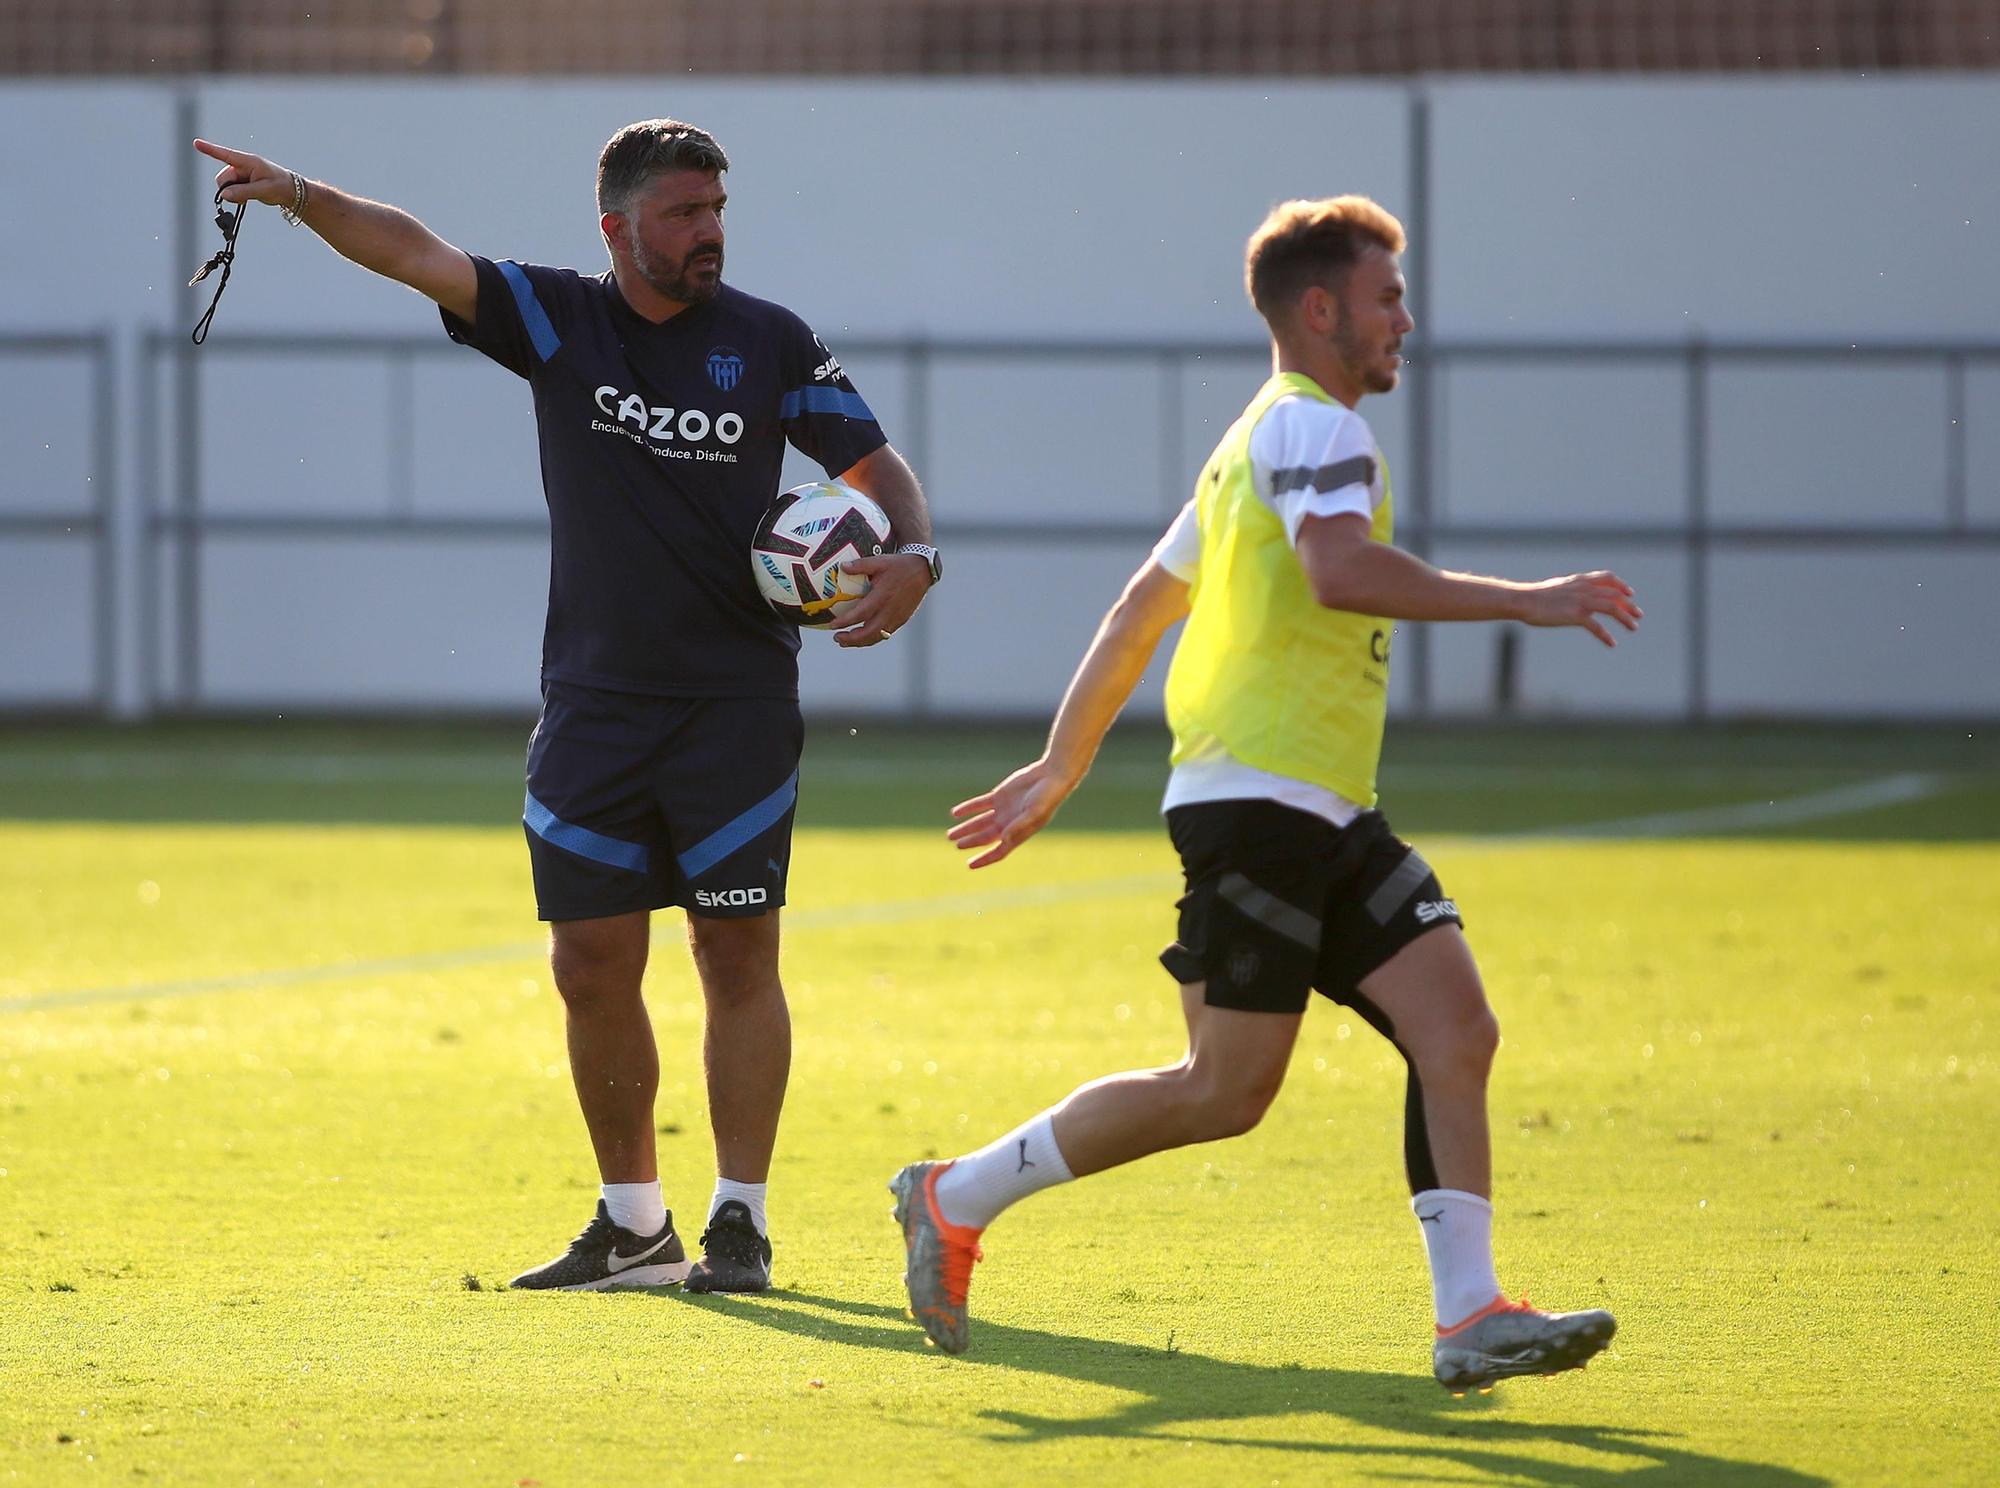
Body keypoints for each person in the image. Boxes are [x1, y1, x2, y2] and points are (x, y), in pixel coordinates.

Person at [891, 196, 1637, 1392]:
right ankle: (953, 1193)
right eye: (1387, 296)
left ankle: (1470, 1315)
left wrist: (1061, 763)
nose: (1405, 319)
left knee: (1455, 1029)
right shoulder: (1313, 433)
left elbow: (1143, 604)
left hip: (1316, 804)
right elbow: (1336, 571)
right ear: (1321, 308)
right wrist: (1524, 598)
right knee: (1222, 1092)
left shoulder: (1255, 439)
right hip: (1261, 801)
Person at [196, 119, 943, 1295]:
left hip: (735, 705)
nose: (710, 234)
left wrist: (917, 551)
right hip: (593, 707)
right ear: (617, 228)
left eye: (717, 211)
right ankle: (632, 1226)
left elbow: (874, 465)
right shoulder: (556, 318)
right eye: (685, 214)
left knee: (734, 951)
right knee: (590, 966)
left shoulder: (767, 338)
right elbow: (410, 251)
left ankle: (739, 1222)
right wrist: (293, 193)